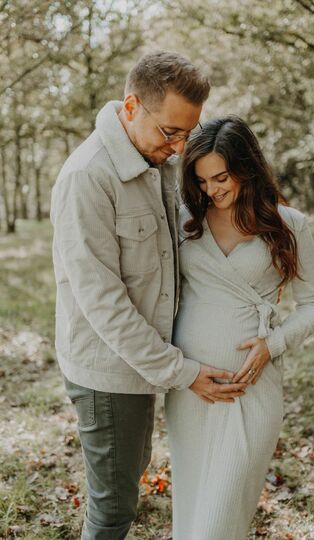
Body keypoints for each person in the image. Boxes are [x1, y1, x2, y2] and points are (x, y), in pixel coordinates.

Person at [50, 53, 246, 539]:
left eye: (188, 134)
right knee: (112, 510)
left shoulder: (150, 156)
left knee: (128, 476)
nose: (180, 149)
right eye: (171, 133)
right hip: (108, 372)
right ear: (132, 105)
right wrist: (182, 372)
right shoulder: (88, 178)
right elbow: (105, 305)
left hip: (141, 365)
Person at [165, 115, 314, 539]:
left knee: (222, 519)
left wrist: (272, 345)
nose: (212, 190)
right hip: (191, 387)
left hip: (251, 387)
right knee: (192, 509)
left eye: (221, 177)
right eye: (201, 182)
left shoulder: (288, 224)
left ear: (246, 167)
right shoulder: (186, 221)